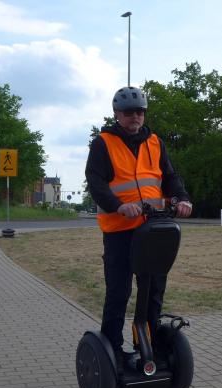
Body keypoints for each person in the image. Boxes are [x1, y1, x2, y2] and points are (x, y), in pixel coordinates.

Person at [85, 86, 193, 362]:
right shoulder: (103, 143)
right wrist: (118, 205)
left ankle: (150, 346)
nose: (135, 116)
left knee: (153, 290)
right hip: (120, 230)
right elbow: (96, 183)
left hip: (154, 228)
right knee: (118, 292)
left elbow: (169, 177)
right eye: (129, 112)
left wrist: (182, 198)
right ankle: (113, 352)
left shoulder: (155, 142)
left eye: (140, 111)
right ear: (117, 114)